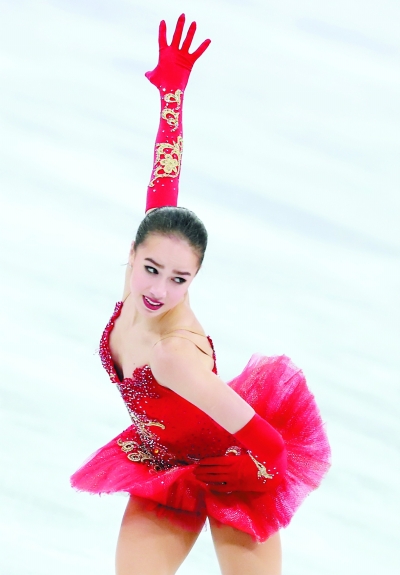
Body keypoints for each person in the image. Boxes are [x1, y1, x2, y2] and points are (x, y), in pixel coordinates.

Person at [71, 15, 331, 575]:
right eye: (151, 269)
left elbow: (271, 446)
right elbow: (163, 183)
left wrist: (254, 471)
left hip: (232, 465)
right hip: (164, 462)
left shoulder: (175, 353)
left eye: (179, 279)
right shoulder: (137, 283)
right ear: (133, 253)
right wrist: (172, 95)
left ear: (195, 278)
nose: (159, 289)